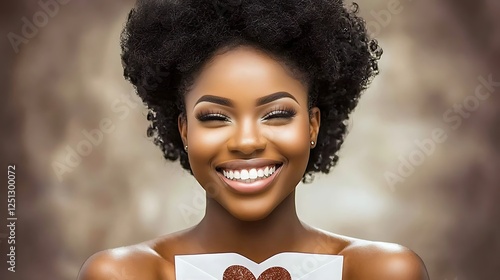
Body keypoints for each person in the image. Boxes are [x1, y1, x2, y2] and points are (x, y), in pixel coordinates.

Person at [78, 0, 428, 279]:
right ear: (184, 130)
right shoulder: (126, 274)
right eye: (215, 117)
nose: (247, 142)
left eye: (276, 115)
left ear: (312, 126)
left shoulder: (382, 272)